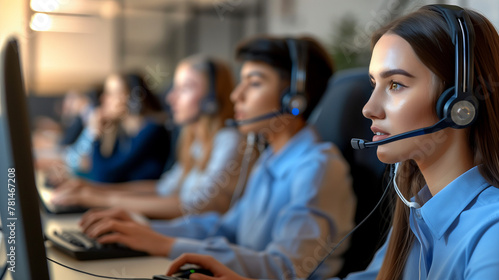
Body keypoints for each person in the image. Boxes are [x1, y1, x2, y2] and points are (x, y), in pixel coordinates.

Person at [163, 4, 499, 280]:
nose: (368, 108)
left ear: (458, 105)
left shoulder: (492, 232)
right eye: (373, 84)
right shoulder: (417, 210)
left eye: (395, 84)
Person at [78, 36, 356, 279]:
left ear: (294, 100)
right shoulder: (270, 159)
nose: (236, 95)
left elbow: (286, 269)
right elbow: (223, 228)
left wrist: (165, 245)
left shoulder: (317, 168)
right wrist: (145, 229)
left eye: (254, 83)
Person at [53, 56, 245, 219]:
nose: (171, 98)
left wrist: (102, 198)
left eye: (185, 88)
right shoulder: (195, 142)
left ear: (211, 99)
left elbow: (196, 205)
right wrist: (94, 190)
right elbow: (164, 188)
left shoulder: (229, 140)